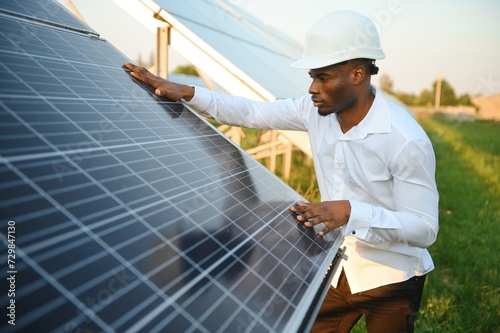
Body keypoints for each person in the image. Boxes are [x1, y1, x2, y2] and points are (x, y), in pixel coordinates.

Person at [124, 10, 439, 333]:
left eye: (324, 77)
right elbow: (253, 111)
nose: (313, 88)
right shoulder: (314, 111)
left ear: (358, 74)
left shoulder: (405, 141)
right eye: (312, 76)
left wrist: (350, 212)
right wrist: (189, 92)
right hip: (340, 265)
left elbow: (425, 229)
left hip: (391, 278)